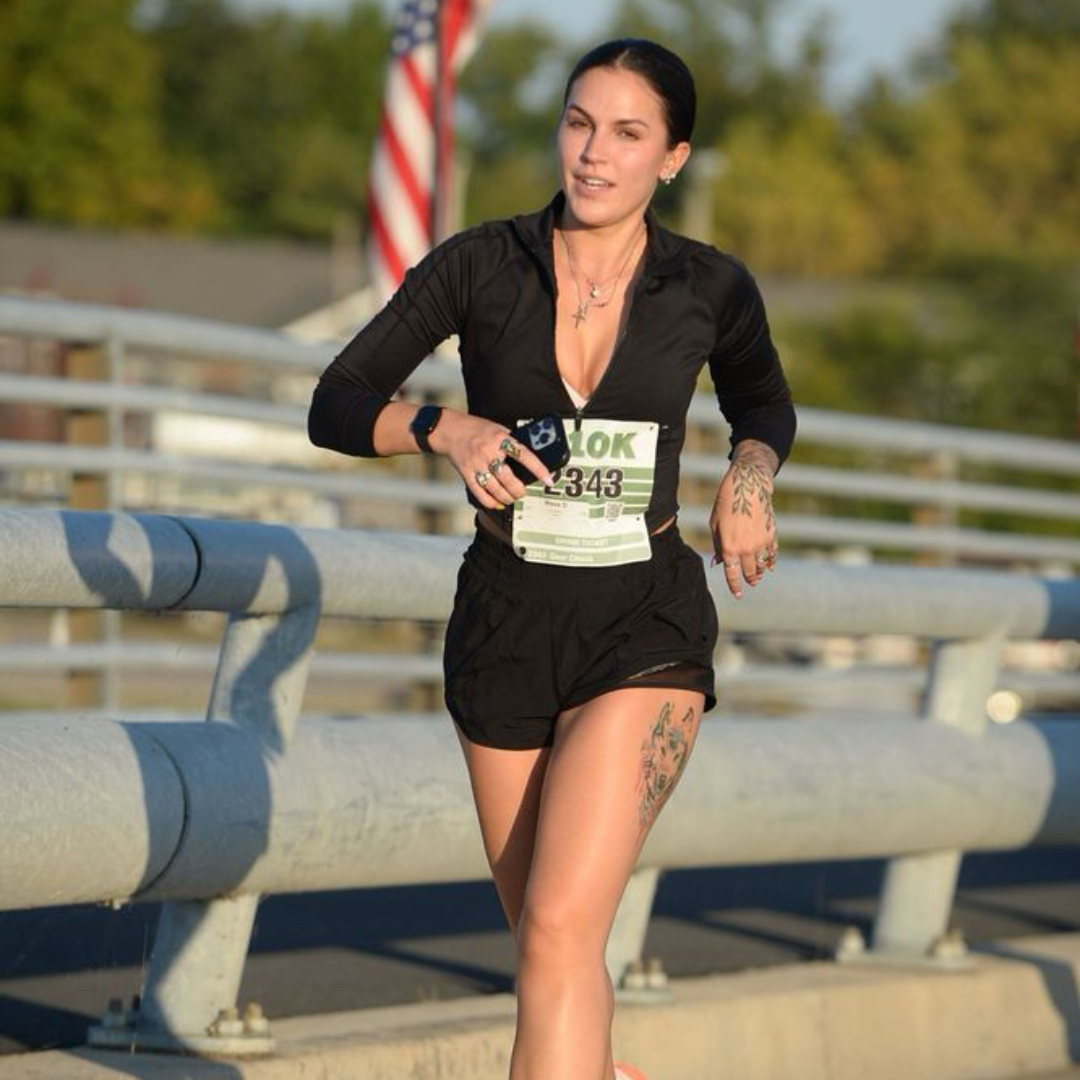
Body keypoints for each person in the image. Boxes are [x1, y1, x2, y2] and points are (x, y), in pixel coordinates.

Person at [308, 37, 795, 1080]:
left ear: (672, 157)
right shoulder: (482, 265)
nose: (593, 153)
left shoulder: (709, 286)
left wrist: (748, 482)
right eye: (578, 122)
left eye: (627, 133)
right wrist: (451, 429)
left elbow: (762, 404)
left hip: (643, 623)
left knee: (564, 926)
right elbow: (337, 401)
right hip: (504, 622)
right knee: (546, 939)